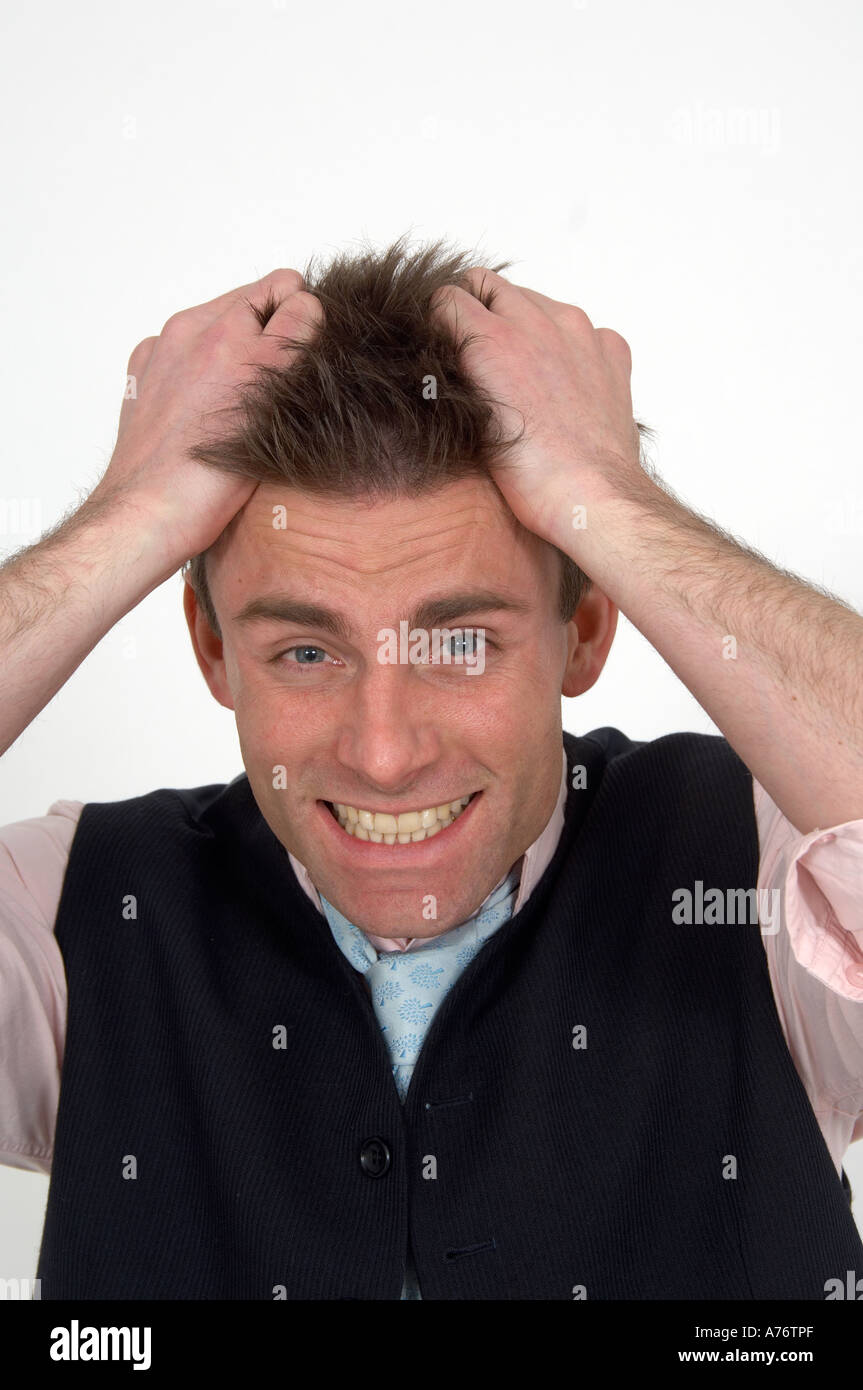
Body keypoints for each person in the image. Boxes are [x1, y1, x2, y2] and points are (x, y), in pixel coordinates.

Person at [1, 235, 862, 1300]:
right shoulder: (69, 922)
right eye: (306, 651)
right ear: (215, 648)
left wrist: (609, 501)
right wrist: (127, 521)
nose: (382, 750)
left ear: (586, 625)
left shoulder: (773, 887)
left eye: (460, 642)